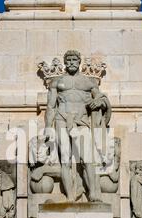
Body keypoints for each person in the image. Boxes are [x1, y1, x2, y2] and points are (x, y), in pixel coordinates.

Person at [45, 50, 111, 202]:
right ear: (65, 62)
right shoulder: (56, 82)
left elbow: (101, 99)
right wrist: (48, 126)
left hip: (81, 121)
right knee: (66, 159)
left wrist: (99, 102)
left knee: (87, 158)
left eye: (74, 59)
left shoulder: (89, 82)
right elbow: (50, 106)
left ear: (79, 62)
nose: (71, 62)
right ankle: (69, 196)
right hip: (62, 119)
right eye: (68, 60)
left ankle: (93, 193)